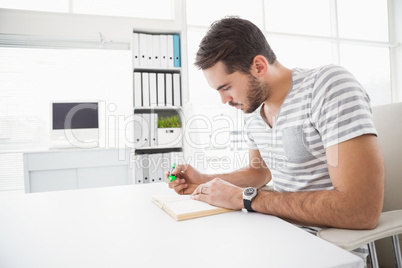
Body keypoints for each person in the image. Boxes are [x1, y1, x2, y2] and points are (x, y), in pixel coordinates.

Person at [166, 17, 384, 235]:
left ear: (259, 66)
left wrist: (244, 197)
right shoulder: (252, 110)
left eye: (226, 87)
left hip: (323, 243)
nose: (224, 100)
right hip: (273, 231)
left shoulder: (327, 86)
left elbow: (360, 209)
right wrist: (205, 180)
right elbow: (259, 173)